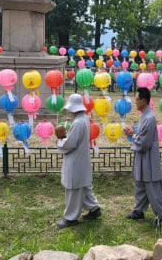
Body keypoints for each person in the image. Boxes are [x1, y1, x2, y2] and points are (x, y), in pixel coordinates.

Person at [123, 87, 162, 226]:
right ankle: (139, 211)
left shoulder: (149, 118)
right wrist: (134, 133)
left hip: (148, 157)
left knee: (152, 187)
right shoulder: (144, 116)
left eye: (137, 99)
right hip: (143, 157)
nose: (135, 102)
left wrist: (132, 135)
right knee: (140, 184)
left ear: (144, 100)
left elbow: (144, 142)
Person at [55, 94, 101, 228]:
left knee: (73, 188)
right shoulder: (84, 119)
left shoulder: (77, 123)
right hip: (82, 159)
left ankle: (71, 217)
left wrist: (61, 139)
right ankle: (94, 208)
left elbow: (70, 144)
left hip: (75, 160)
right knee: (84, 186)